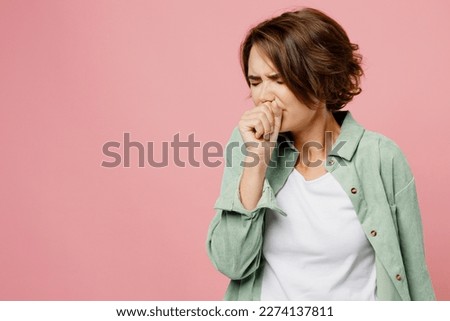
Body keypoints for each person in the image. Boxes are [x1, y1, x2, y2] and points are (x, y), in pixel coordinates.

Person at [206, 7, 435, 300]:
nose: (263, 95)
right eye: (255, 81)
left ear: (320, 80)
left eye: (278, 79)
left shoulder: (381, 157)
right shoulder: (246, 146)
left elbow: (413, 275)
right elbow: (231, 263)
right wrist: (257, 163)